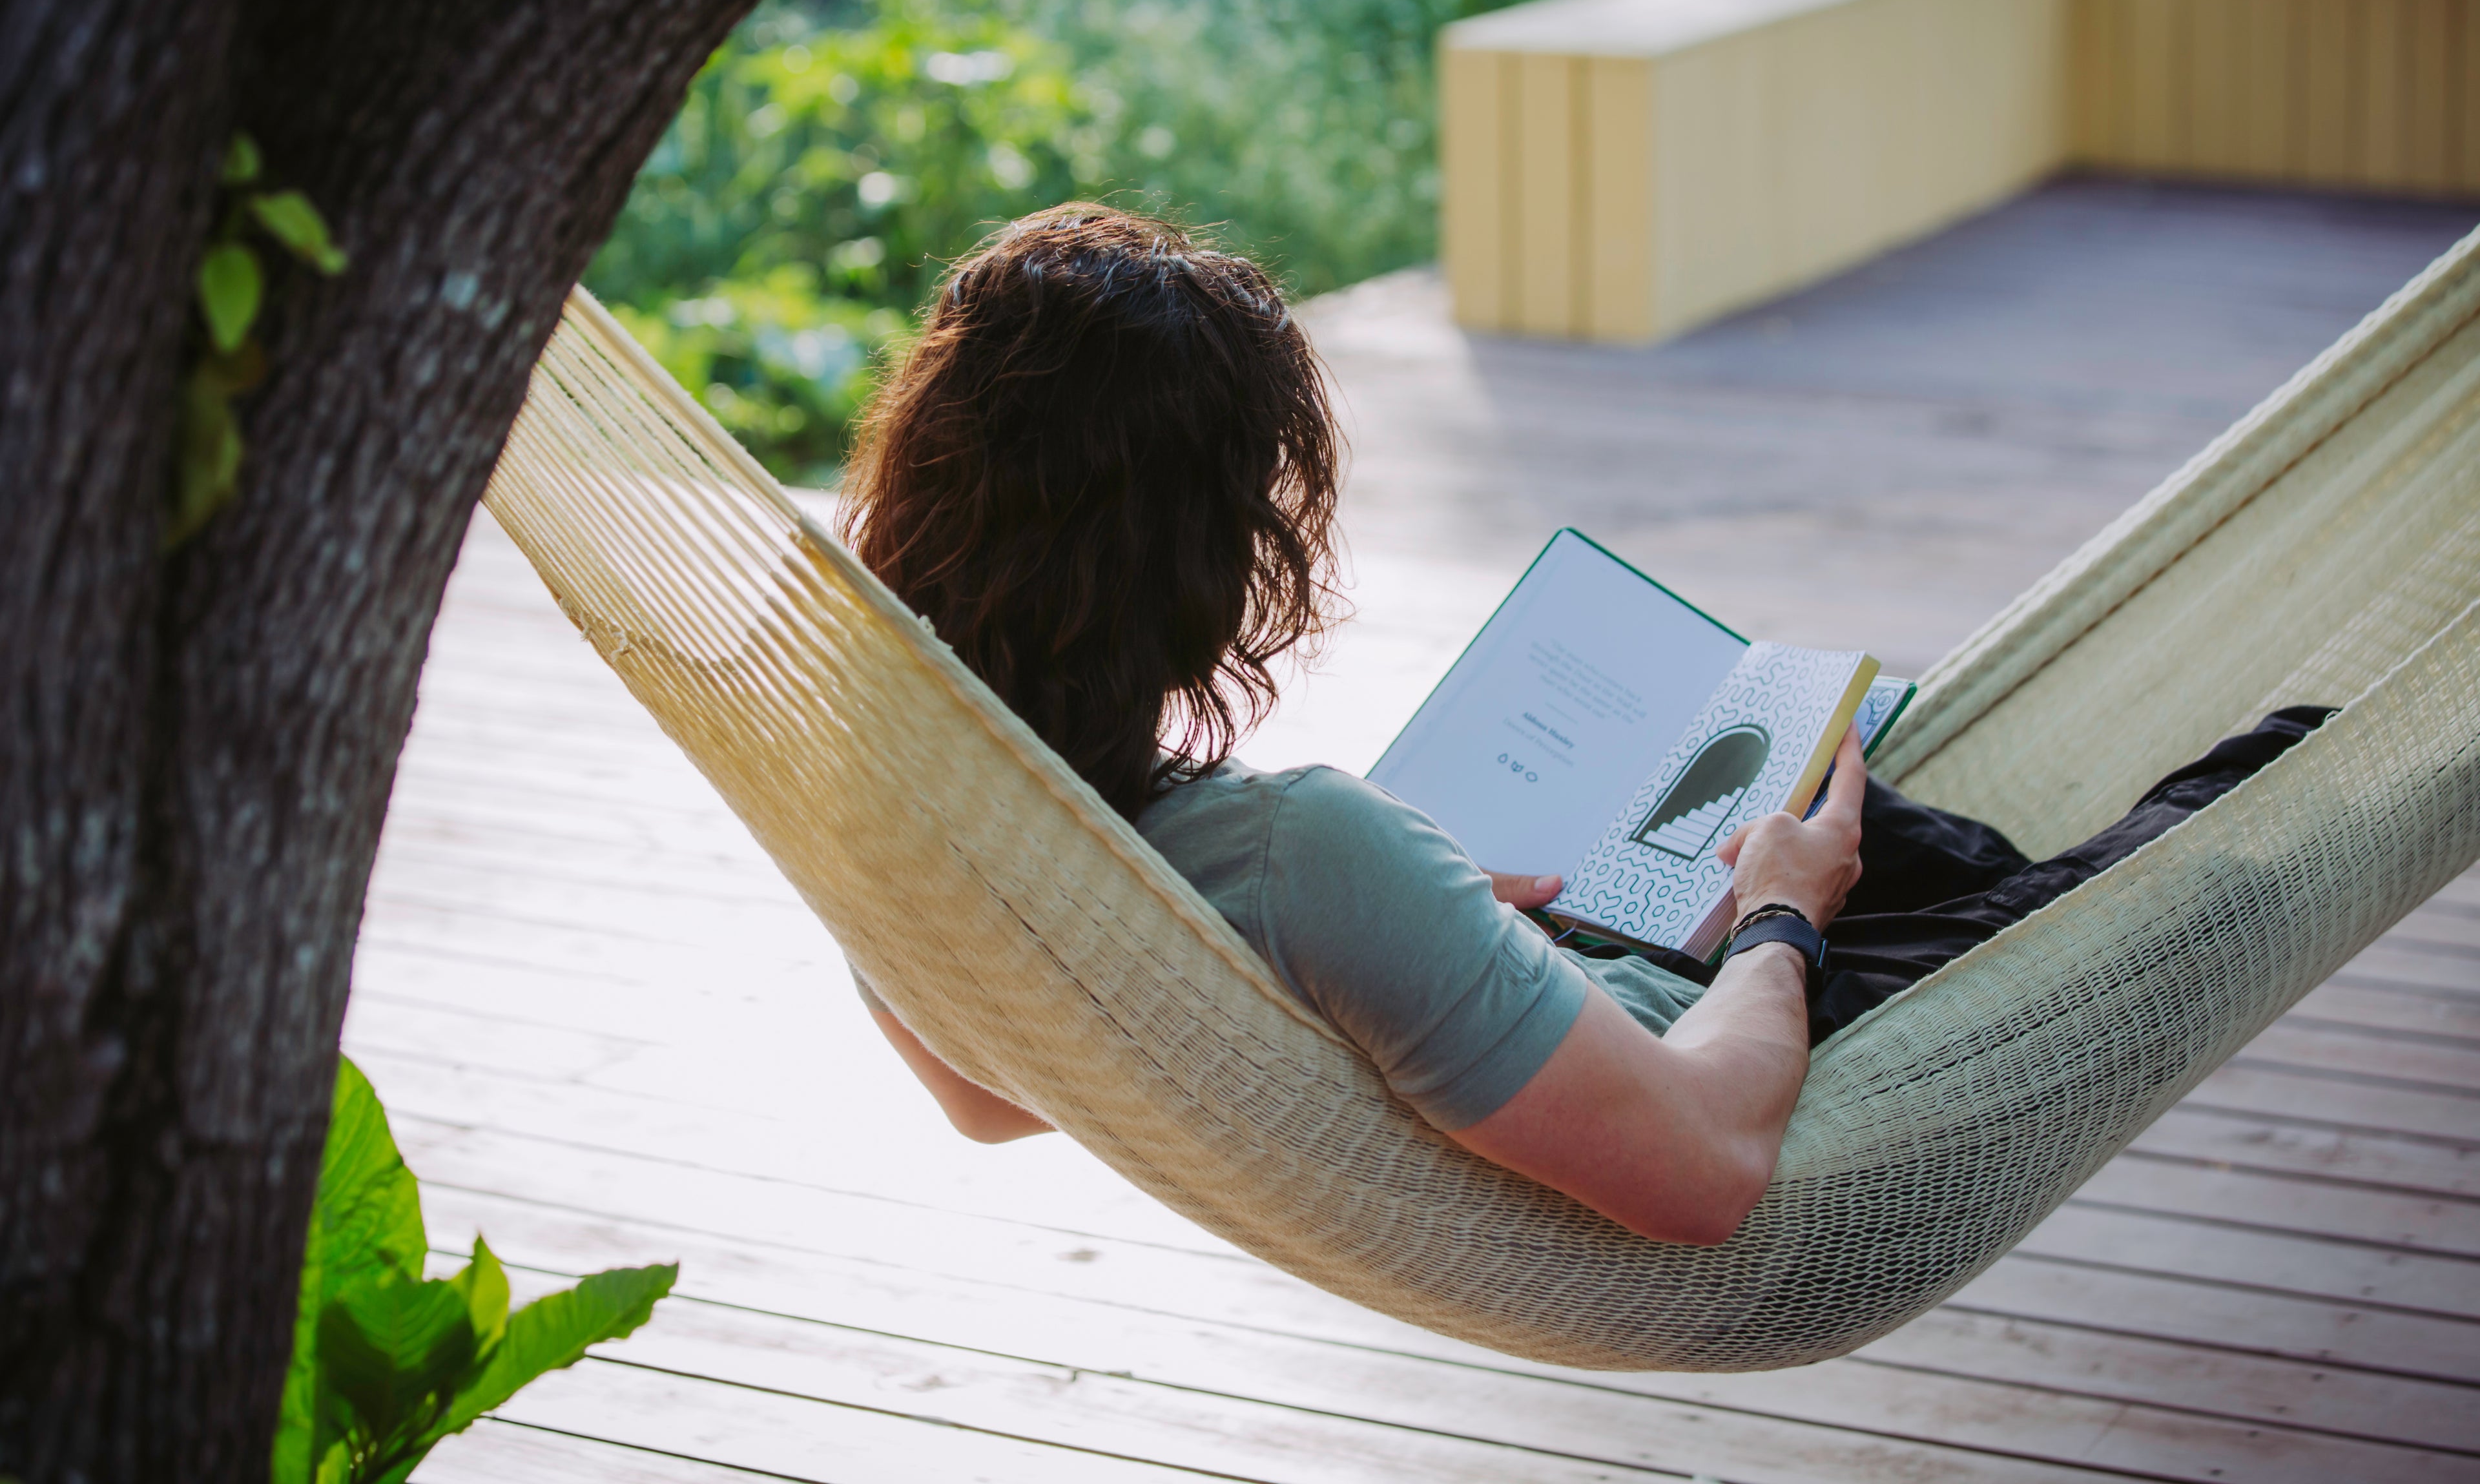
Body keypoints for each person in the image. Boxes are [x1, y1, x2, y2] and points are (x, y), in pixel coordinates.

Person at [839, 202, 2330, 1247]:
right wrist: (1782, 923)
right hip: (1747, 1049)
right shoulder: (1303, 850)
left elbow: (984, 1092)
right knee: (2252, 808)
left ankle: (1857, 854)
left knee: (1877, 808)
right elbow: (1707, 1171)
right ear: (1210, 554)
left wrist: (1350, 983)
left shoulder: (884, 784)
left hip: (1516, 979)